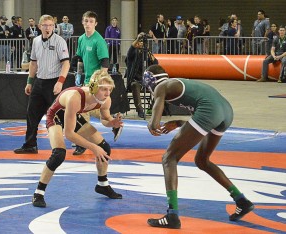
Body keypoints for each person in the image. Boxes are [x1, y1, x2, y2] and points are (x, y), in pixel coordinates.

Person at [143, 64, 254, 229]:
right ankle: (241, 200)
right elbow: (199, 110)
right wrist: (179, 123)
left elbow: (154, 124)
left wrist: (152, 124)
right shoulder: (175, 84)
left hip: (210, 110)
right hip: (225, 111)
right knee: (202, 160)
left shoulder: (161, 87)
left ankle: (172, 215)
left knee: (169, 158)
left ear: (150, 80)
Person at [32, 70, 123, 207]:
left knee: (104, 148)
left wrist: (111, 123)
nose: (108, 93)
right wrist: (93, 147)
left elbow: (104, 118)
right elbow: (69, 134)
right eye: (104, 89)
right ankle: (38, 193)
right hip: (56, 116)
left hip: (72, 115)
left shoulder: (106, 100)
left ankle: (102, 185)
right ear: (93, 87)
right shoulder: (76, 97)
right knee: (58, 154)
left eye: (110, 89)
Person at [13, 14, 70, 154]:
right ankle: (30, 145)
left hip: (54, 82)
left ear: (54, 27)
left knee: (60, 115)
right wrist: (29, 82)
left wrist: (60, 82)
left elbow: (66, 64)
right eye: (45, 25)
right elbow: (33, 63)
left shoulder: (60, 41)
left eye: (51, 25)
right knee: (31, 113)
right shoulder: (36, 41)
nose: (48, 28)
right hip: (39, 81)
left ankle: (78, 142)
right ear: (40, 27)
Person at [73, 11, 122, 155]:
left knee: (82, 110)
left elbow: (105, 62)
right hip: (85, 80)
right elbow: (80, 58)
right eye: (86, 21)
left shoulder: (98, 40)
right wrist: (79, 74)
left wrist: (99, 82)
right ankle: (114, 124)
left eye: (91, 21)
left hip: (94, 82)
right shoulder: (82, 39)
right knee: (96, 112)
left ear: (95, 24)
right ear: (82, 22)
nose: (88, 24)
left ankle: (81, 143)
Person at [126, 32, 158, 118]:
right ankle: (140, 110)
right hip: (136, 80)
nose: (141, 43)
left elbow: (156, 63)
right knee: (134, 85)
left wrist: (149, 52)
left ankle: (152, 108)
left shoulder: (146, 53)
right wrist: (137, 39)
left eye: (142, 42)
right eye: (139, 42)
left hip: (146, 80)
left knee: (159, 87)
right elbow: (130, 50)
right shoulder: (133, 53)